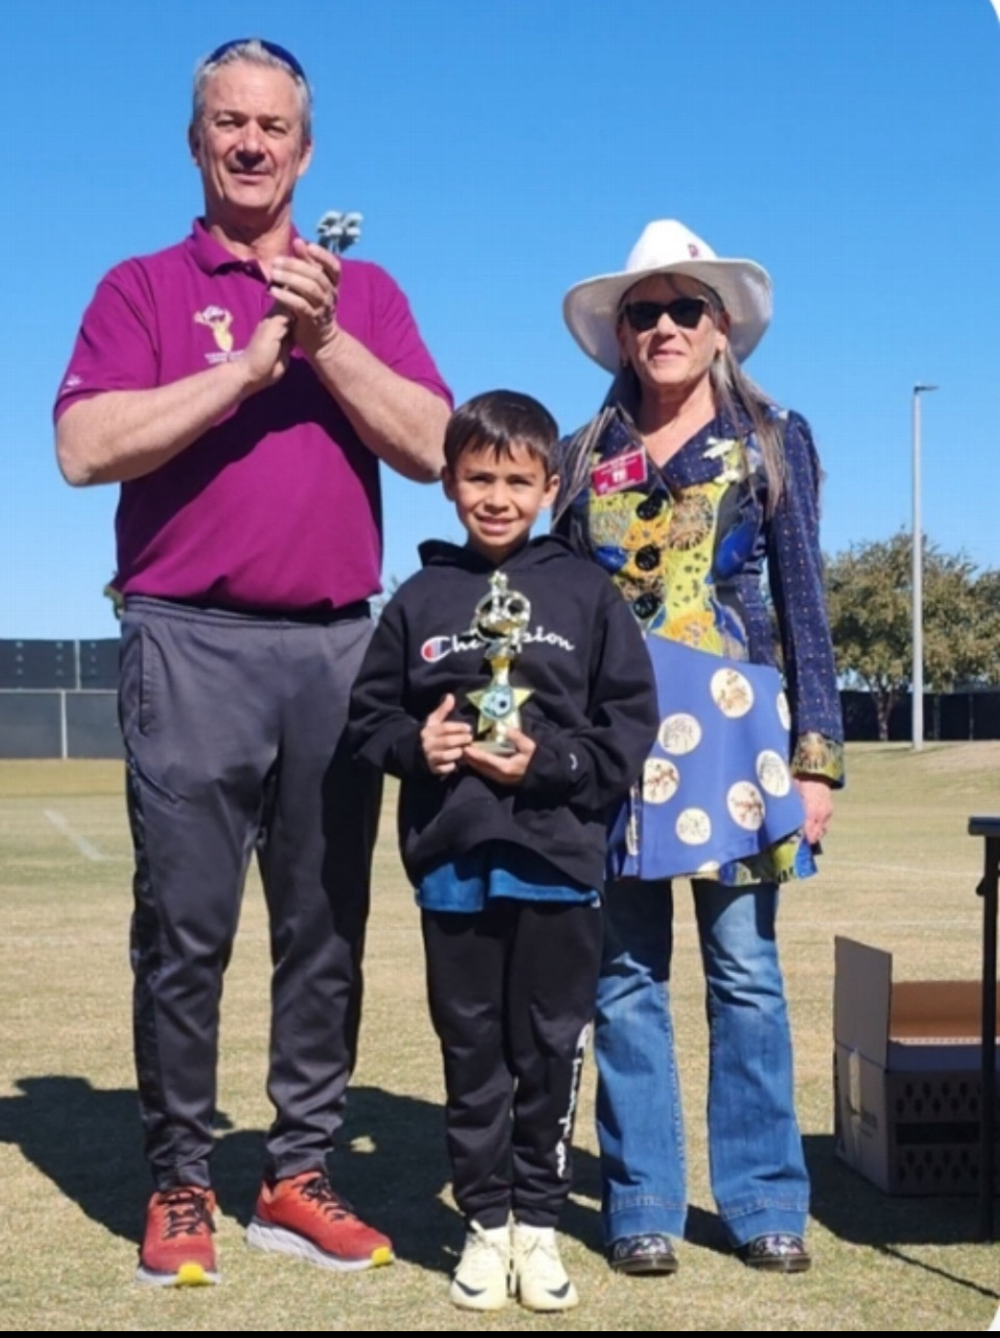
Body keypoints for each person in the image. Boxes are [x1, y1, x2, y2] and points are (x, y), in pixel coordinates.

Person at [53, 38, 451, 1287]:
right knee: (185, 928)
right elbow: (82, 448)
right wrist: (242, 369)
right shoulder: (142, 287)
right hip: (188, 638)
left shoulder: (361, 290)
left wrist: (323, 339)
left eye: (272, 125)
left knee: (327, 923)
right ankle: (181, 1180)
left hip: (339, 642)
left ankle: (297, 1174)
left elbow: (438, 446)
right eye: (228, 122)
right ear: (195, 141)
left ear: (306, 148)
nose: (250, 143)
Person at [556, 220, 844, 1275]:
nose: (665, 325)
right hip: (612, 736)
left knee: (745, 969)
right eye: (645, 311)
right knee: (622, 974)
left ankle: (764, 1198)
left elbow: (803, 599)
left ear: (721, 327)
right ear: (620, 334)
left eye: (686, 308)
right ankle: (641, 1203)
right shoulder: (577, 456)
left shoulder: (773, 437)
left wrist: (815, 758)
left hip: (737, 739)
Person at [348, 391, 658, 1311]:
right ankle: (485, 1225)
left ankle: (540, 1224)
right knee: (471, 1048)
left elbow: (628, 726)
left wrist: (553, 764)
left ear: (548, 485)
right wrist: (419, 748)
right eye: (477, 477)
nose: (495, 496)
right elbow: (370, 718)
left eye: (516, 480)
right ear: (447, 482)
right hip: (454, 864)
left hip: (559, 864)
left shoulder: (585, 593)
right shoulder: (418, 600)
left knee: (549, 1047)